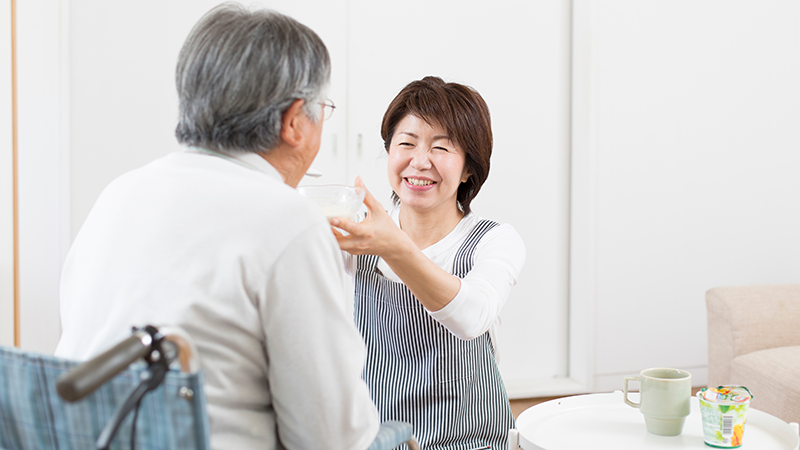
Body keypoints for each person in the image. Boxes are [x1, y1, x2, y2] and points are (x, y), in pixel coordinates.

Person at [54, 4, 379, 449]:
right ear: (294, 122)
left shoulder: (120, 194)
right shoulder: (287, 219)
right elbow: (332, 437)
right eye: (322, 110)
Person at [331, 76, 526, 449]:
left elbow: (471, 316)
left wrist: (393, 246)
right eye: (406, 143)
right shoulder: (353, 238)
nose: (420, 162)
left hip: (474, 441)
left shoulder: (494, 240)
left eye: (441, 148)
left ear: (469, 168)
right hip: (381, 441)